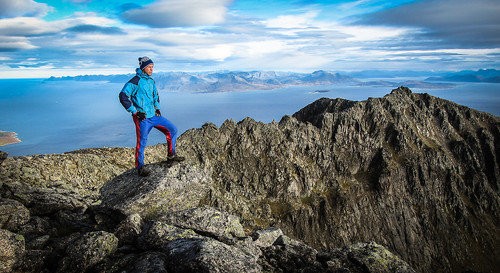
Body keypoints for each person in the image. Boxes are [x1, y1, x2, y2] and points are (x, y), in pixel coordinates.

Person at [119, 56, 184, 176]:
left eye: (152, 67)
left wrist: (157, 107)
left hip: (154, 115)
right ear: (143, 68)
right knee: (142, 142)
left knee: (172, 129)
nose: (151, 69)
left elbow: (155, 95)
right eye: (149, 67)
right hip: (142, 118)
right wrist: (135, 112)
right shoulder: (135, 81)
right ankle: (140, 167)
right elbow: (123, 96)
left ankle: (171, 155)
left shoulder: (151, 81)